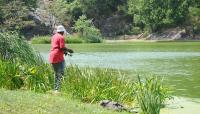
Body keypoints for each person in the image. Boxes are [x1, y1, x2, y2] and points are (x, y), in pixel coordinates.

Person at [49, 25, 73, 92]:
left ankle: (56, 89)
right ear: (62, 31)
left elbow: (57, 47)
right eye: (63, 32)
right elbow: (62, 47)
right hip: (58, 57)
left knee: (56, 74)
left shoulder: (53, 37)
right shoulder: (61, 37)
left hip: (52, 56)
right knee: (61, 73)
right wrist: (69, 50)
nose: (63, 33)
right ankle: (58, 90)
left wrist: (65, 52)